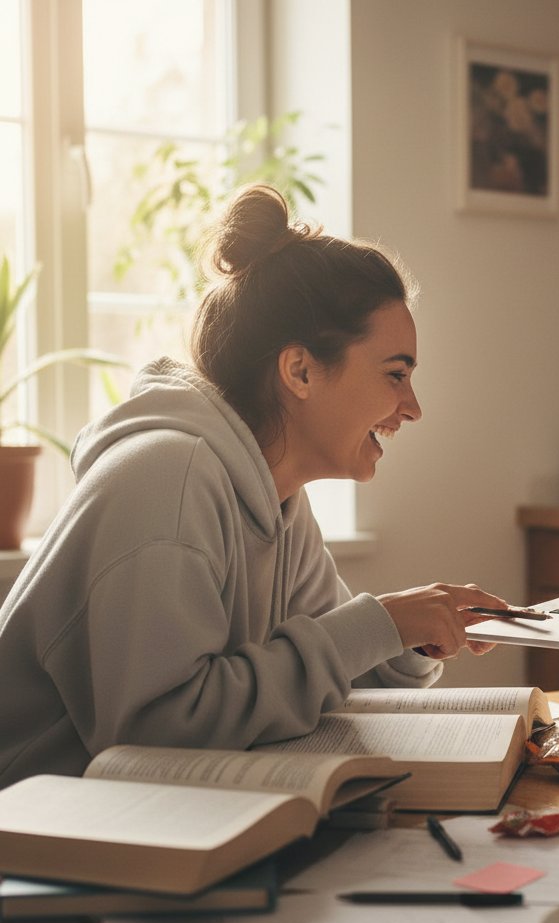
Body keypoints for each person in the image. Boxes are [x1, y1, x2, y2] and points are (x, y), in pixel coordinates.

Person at [0, 184, 510, 789]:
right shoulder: (166, 480)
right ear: (299, 371)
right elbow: (157, 740)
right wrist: (381, 624)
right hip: (40, 841)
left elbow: (331, 672)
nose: (413, 407)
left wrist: (414, 637)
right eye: (395, 374)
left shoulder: (279, 500)